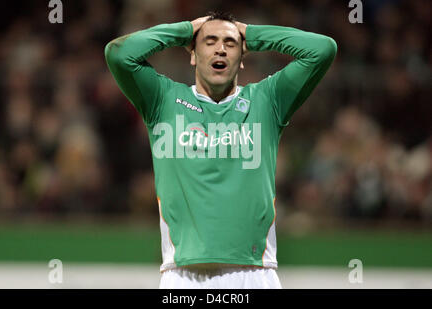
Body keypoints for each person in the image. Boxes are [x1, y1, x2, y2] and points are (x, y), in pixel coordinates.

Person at [105, 12, 337, 289]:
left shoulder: (267, 101)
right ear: (192, 55)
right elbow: (119, 54)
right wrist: (185, 30)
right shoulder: (162, 100)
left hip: (255, 274)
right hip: (182, 277)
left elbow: (322, 50)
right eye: (209, 41)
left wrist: (252, 34)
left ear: (241, 59)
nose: (220, 49)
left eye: (230, 43)